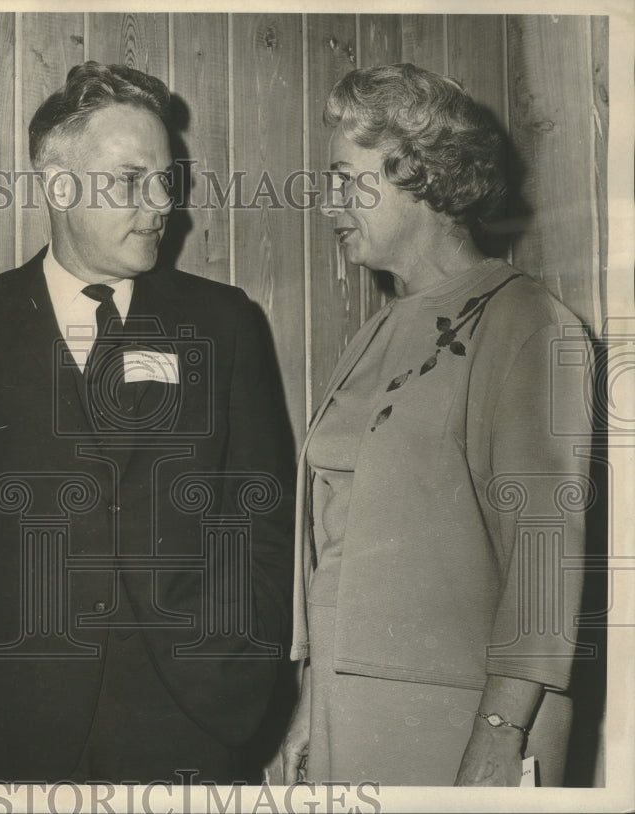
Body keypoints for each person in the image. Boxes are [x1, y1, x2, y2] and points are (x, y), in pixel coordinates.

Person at [0, 61, 296, 783]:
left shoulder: (223, 323)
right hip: (27, 721)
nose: (161, 206)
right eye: (130, 180)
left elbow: (264, 521)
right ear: (58, 186)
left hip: (195, 719)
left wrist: (241, 679)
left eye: (166, 180)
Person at [268, 64, 592, 786]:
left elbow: (545, 551)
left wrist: (500, 734)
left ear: (419, 173)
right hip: (347, 706)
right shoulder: (379, 328)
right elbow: (339, 543)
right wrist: (310, 706)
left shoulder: (528, 323)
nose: (327, 203)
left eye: (346, 178)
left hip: (460, 718)